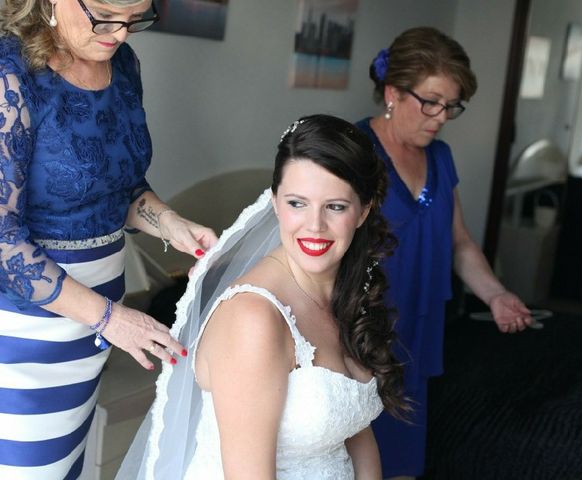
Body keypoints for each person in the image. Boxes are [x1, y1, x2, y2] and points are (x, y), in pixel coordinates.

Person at [117, 114, 407, 479]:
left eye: (335, 206)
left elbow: (355, 432)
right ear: (274, 203)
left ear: (363, 211)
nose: (314, 226)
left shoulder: (346, 290)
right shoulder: (253, 318)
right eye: (297, 203)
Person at [0, 1, 217, 478]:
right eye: (104, 15)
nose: (119, 34)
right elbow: (2, 242)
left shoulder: (122, 66)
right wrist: (110, 318)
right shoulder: (9, 74)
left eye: (136, 17)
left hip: (93, 333)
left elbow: (119, 189)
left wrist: (170, 223)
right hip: (23, 337)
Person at [355, 26, 533, 479]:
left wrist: (495, 295)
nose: (441, 117)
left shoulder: (441, 157)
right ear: (393, 92)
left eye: (451, 106)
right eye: (430, 102)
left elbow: (459, 243)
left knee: (402, 462)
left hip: (417, 327)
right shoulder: (353, 152)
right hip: (361, 333)